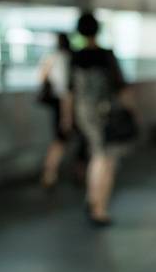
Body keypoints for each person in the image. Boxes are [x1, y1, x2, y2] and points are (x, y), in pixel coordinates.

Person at [63, 12, 136, 226]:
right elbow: (121, 88)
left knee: (96, 153)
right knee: (106, 158)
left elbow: (69, 91)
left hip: (83, 113)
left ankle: (92, 198)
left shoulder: (74, 57)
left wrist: (68, 118)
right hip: (106, 113)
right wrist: (132, 111)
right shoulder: (106, 56)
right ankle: (99, 207)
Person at [37, 32, 72, 188]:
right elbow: (67, 89)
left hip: (55, 103)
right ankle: (49, 173)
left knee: (59, 139)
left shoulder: (50, 57)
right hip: (64, 103)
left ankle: (50, 173)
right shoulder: (66, 59)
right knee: (61, 139)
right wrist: (67, 116)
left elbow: (40, 78)